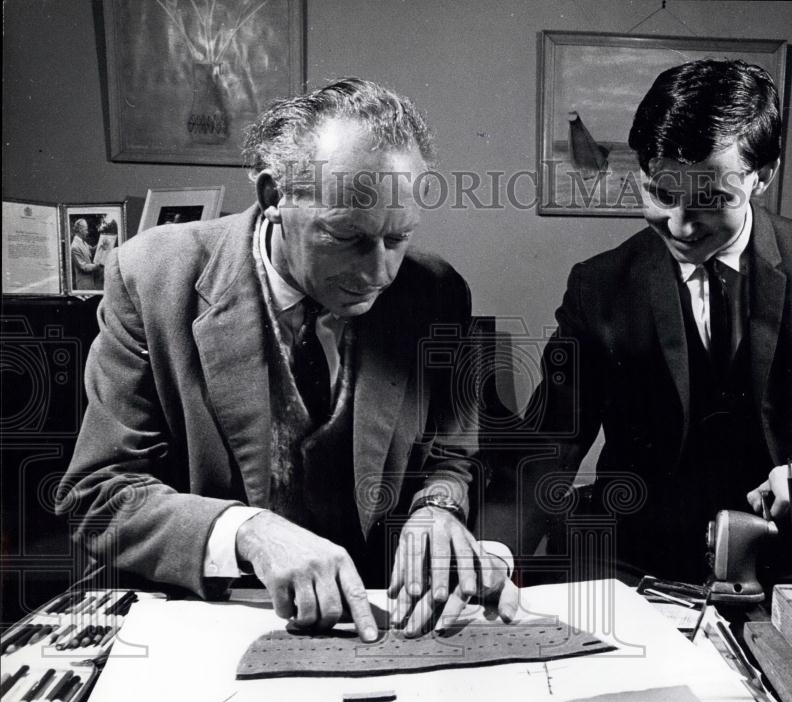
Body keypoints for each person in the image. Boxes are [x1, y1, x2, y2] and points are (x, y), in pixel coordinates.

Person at [59, 78, 516, 639]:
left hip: (375, 628)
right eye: (346, 237)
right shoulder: (151, 277)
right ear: (275, 196)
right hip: (207, 625)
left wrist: (437, 508)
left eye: (397, 238)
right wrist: (247, 532)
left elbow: (455, 454)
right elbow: (100, 494)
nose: (379, 274)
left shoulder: (436, 292)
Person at [524, 60, 792, 630]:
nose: (682, 225)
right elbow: (549, 440)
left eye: (711, 197)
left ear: (763, 175)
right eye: (661, 194)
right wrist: (493, 545)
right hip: (646, 568)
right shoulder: (597, 286)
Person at [70, 218, 102, 290]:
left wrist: (101, 243)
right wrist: (98, 265)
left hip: (90, 282)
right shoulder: (75, 246)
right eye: (86, 230)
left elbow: (91, 249)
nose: (87, 232)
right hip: (84, 285)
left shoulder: (82, 242)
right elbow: (84, 267)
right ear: (80, 230)